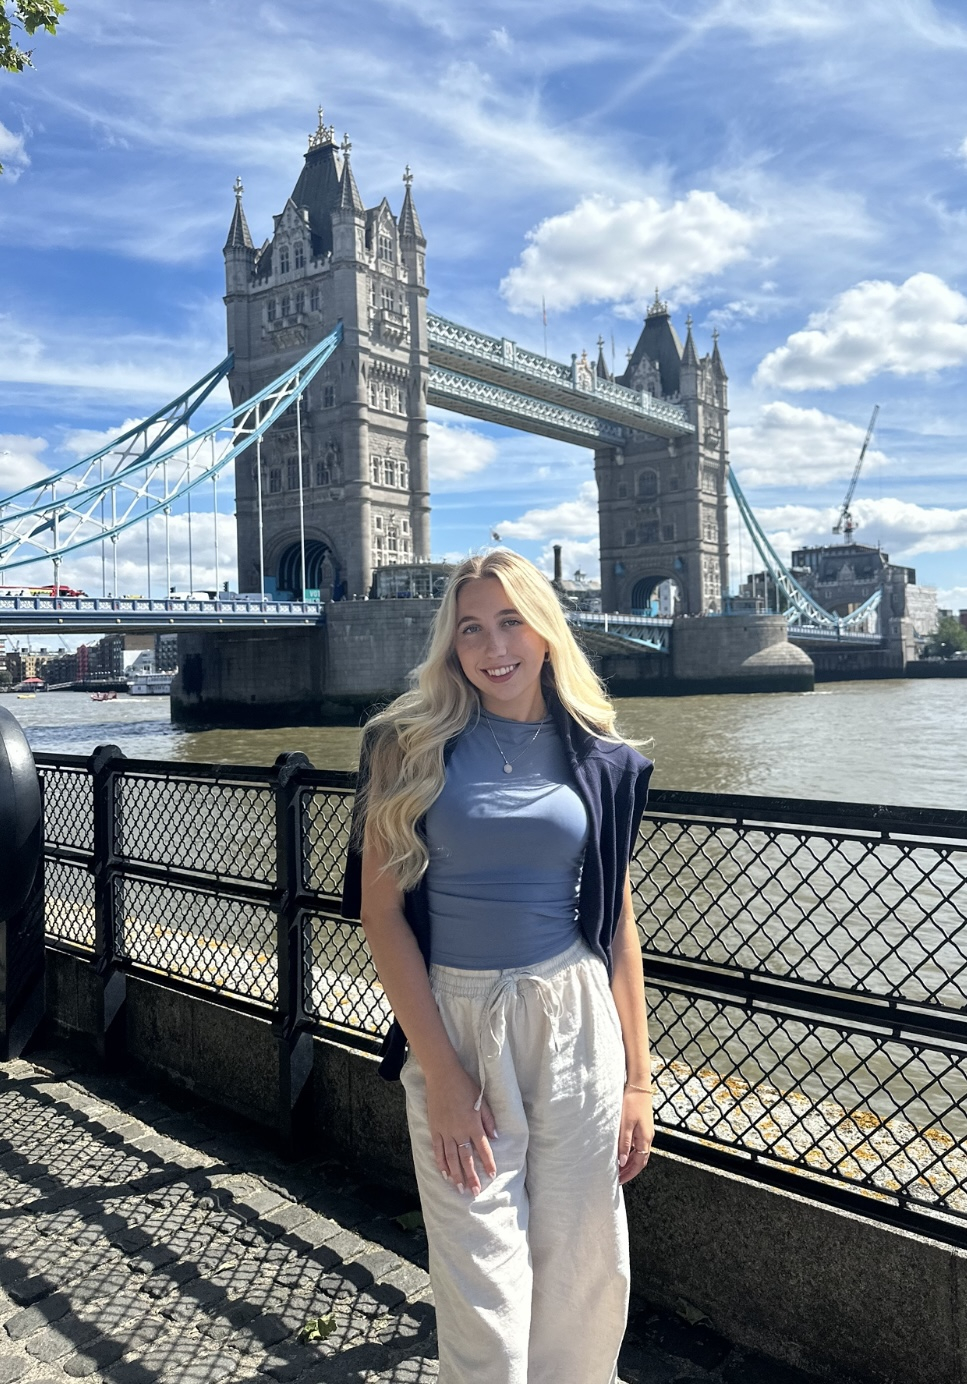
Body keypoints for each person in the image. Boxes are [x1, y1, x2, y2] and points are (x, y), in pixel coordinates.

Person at [342, 550, 655, 1384]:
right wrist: (441, 1073)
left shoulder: (602, 759)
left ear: (547, 632)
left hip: (574, 1016)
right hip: (457, 1021)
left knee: (584, 1263)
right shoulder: (403, 745)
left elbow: (617, 922)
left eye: (511, 621)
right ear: (451, 645)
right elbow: (380, 915)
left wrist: (636, 1083)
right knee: (479, 1273)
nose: (493, 646)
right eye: (471, 628)